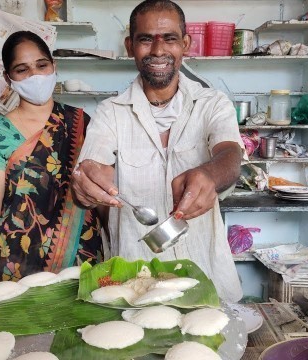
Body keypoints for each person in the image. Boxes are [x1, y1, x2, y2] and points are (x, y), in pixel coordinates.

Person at [71, 0, 243, 302]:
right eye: (146, 38)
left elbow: (230, 155)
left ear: (186, 44)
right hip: (134, 277)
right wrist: (87, 185)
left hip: (206, 273)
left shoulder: (212, 103)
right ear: (130, 46)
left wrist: (209, 174)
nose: (158, 50)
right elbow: (94, 168)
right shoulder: (111, 112)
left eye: (170, 38)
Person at [0, 31, 103, 291]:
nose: (35, 75)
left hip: (81, 265)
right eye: (22, 69)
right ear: (9, 79)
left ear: (54, 66)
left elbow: (100, 197)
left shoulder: (82, 123)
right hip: (17, 270)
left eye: (42, 65)